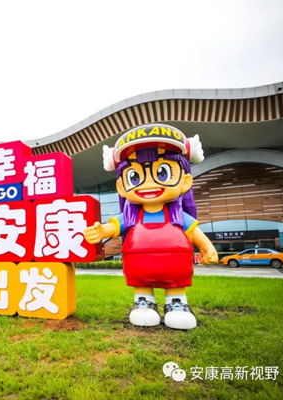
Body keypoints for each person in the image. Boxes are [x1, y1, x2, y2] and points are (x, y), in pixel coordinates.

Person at [84, 123, 218, 330]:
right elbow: (112, 228)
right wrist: (100, 231)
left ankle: (177, 303)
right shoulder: (130, 217)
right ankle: (143, 302)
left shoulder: (178, 216)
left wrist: (208, 248)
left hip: (175, 268)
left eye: (162, 173)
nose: (149, 184)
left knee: (175, 290)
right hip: (139, 269)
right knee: (142, 292)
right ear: (121, 186)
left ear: (185, 181)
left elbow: (195, 232)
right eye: (135, 176)